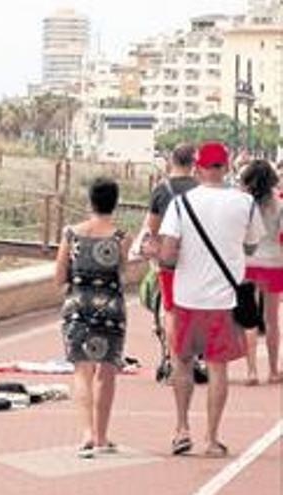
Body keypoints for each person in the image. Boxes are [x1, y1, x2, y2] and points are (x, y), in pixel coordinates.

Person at [159, 141, 265, 457]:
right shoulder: (245, 203)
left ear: (198, 167)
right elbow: (251, 247)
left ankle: (181, 429)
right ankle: (212, 437)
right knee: (218, 367)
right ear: (227, 166)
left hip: (187, 296)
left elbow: (167, 254)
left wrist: (164, 256)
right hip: (224, 299)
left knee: (182, 361)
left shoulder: (180, 204)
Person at [54, 177, 130, 459]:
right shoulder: (121, 236)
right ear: (115, 202)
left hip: (77, 305)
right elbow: (123, 273)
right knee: (106, 371)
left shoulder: (70, 234)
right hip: (110, 309)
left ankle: (85, 433)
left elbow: (58, 276)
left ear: (90, 201)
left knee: (81, 370)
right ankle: (101, 435)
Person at [143, 144, 199, 353]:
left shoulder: (161, 189)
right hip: (197, 259)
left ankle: (171, 354)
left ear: (171, 161)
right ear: (194, 164)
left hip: (169, 259)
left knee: (171, 308)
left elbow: (152, 227)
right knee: (195, 307)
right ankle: (196, 354)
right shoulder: (201, 189)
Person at [240, 159, 282, 385]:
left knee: (249, 318)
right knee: (272, 319)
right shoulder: (279, 203)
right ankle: (274, 370)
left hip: (248, 262)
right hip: (274, 263)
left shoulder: (244, 205)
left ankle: (251, 370)